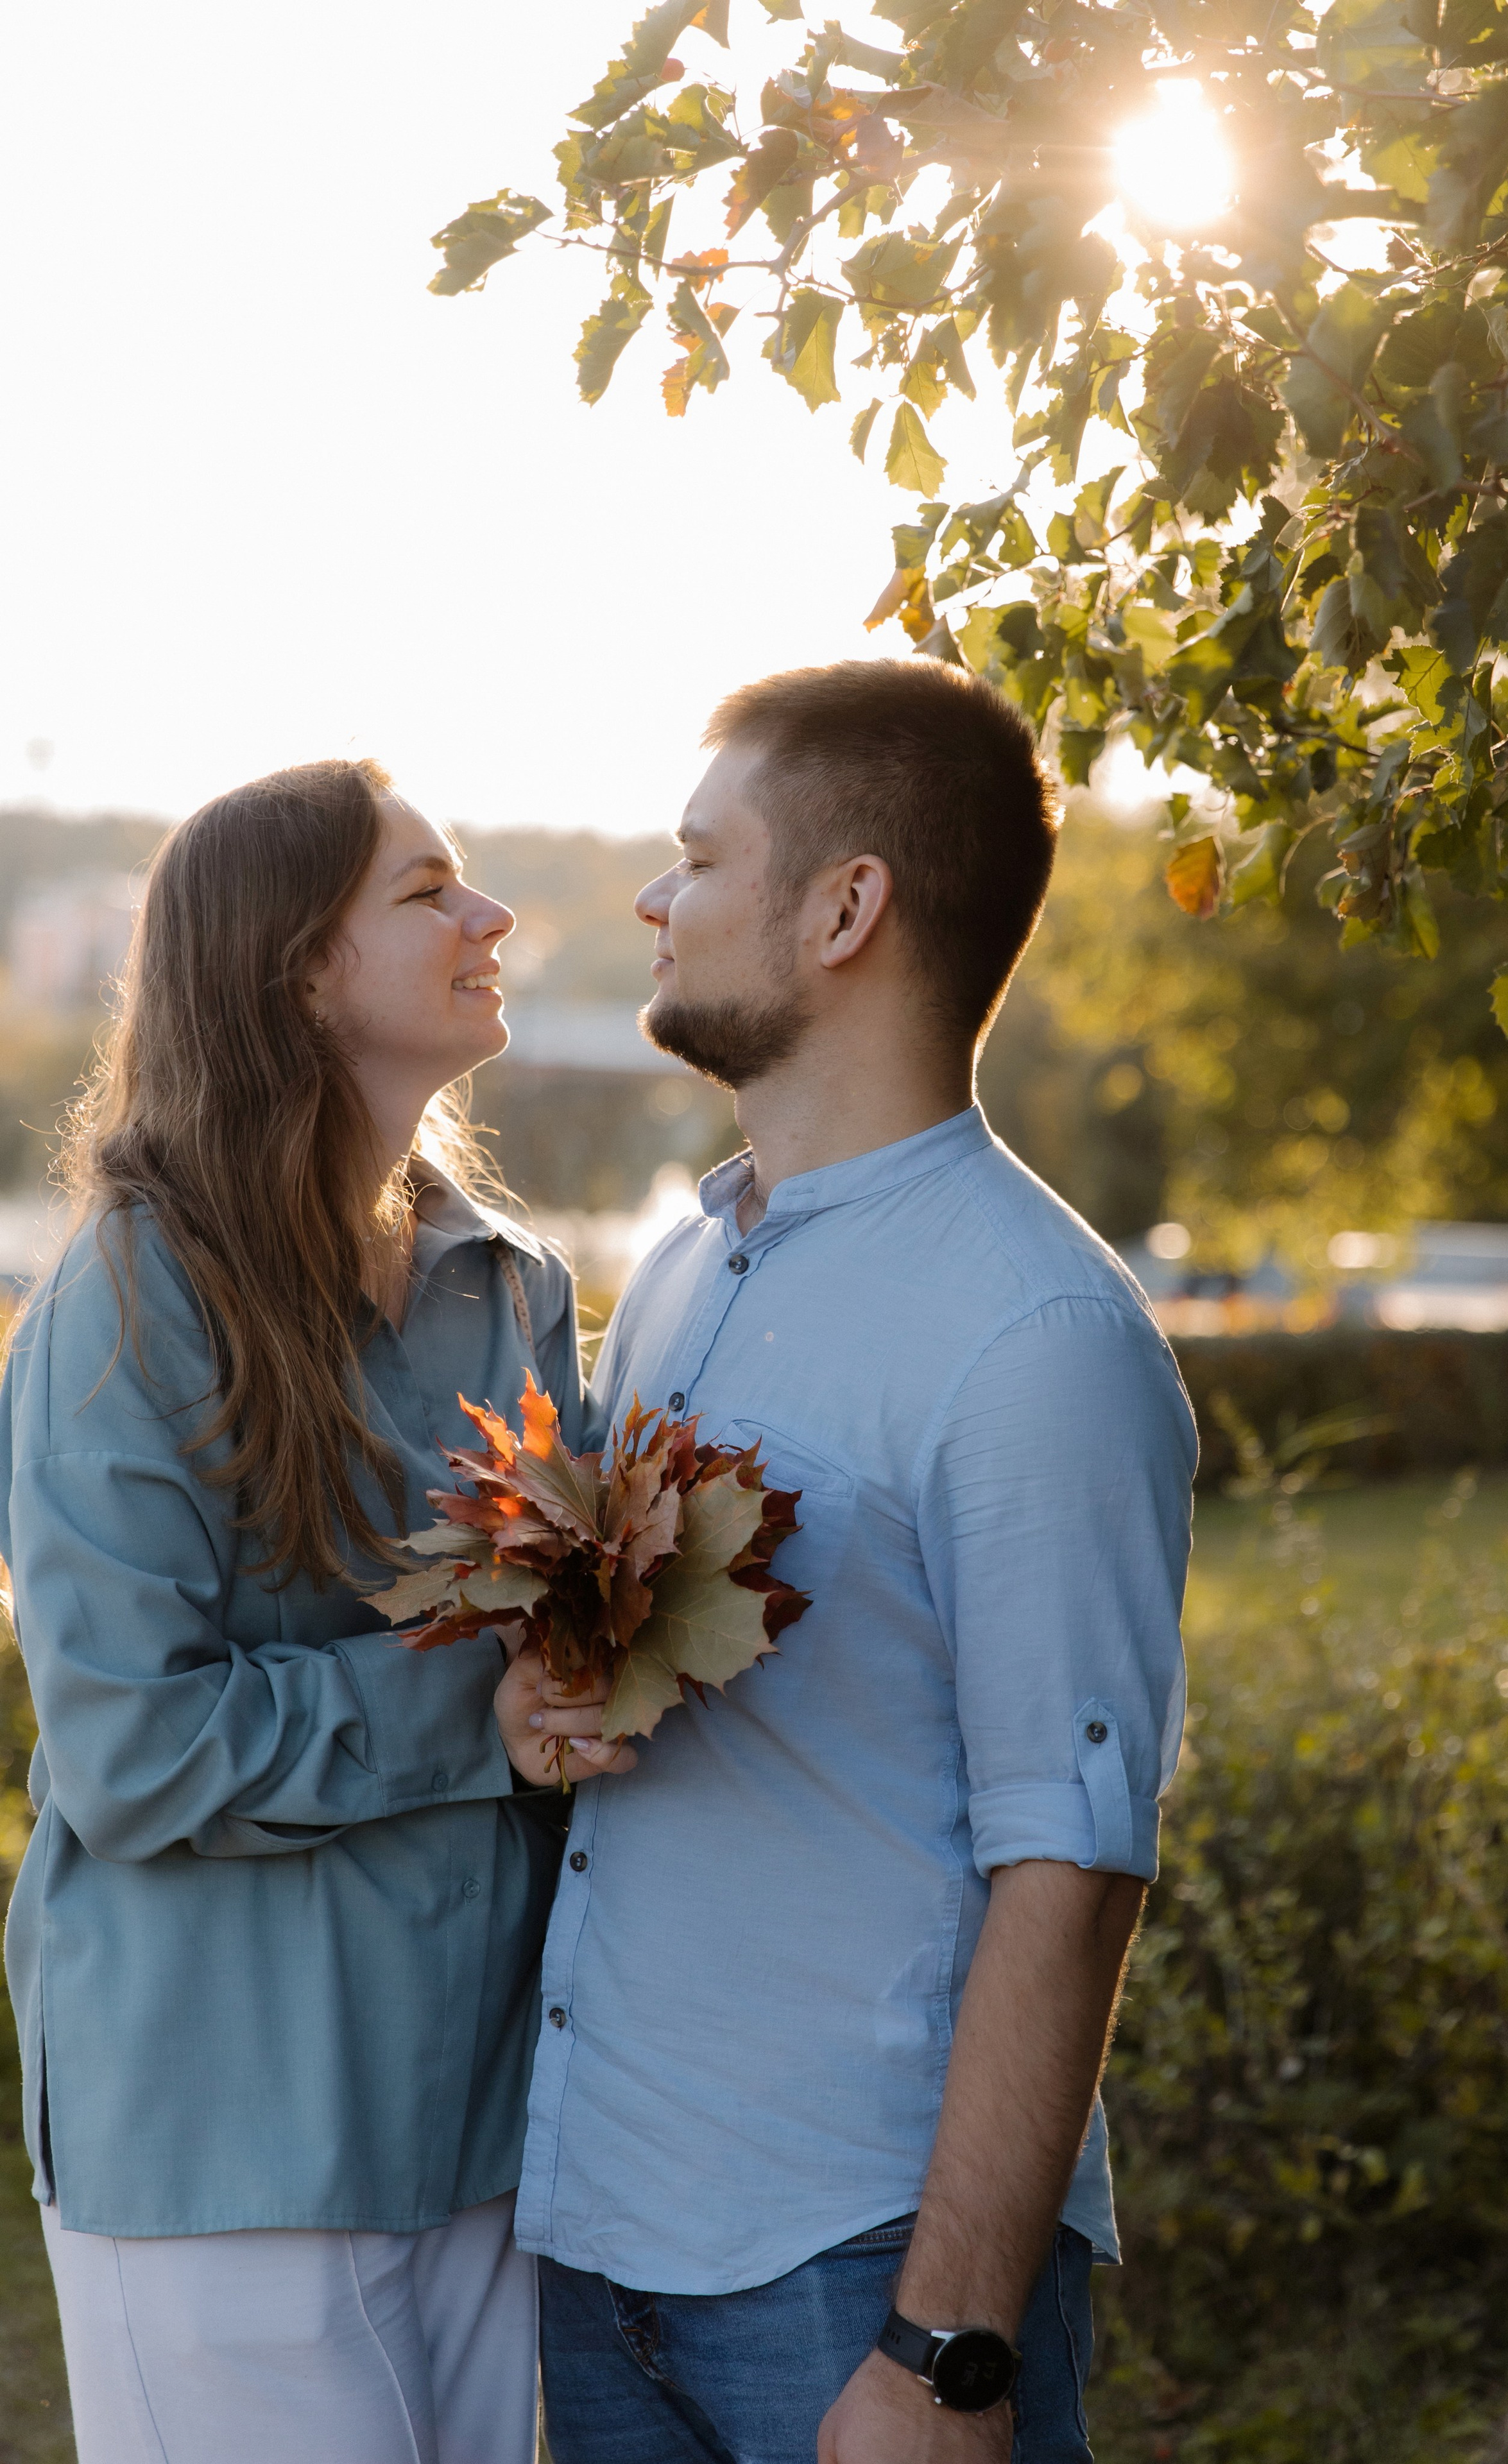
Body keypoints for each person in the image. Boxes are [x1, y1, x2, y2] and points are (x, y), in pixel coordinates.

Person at [510, 660, 1197, 2463]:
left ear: (844, 908)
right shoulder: (680, 1267)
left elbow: (1075, 1860)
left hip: (851, 2276)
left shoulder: (1038, 1333)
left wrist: (948, 2347)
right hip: (603, 2250)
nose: (654, 900)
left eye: (697, 858)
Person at [0, 758, 620, 2464]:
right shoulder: (130, 1304)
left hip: (486, 2128)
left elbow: (548, 1636)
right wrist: (473, 1717)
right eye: (430, 892)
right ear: (295, 967)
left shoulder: (514, 1286)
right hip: (225, 2145)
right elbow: (130, 1747)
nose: (494, 918)